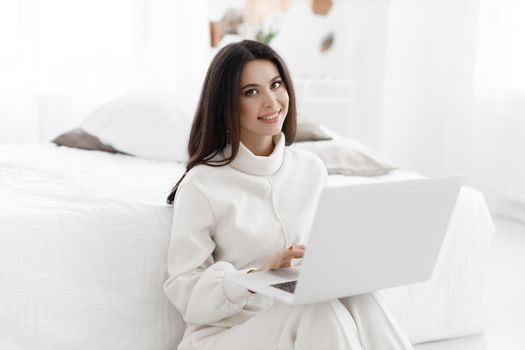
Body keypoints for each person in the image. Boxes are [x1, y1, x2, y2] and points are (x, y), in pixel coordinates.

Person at [164, 40, 413, 350]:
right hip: (226, 335)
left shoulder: (311, 169)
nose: (271, 102)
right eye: (251, 92)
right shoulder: (202, 184)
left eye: (276, 85)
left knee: (359, 295)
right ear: (226, 104)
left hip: (301, 324)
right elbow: (183, 290)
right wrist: (257, 276)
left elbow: (324, 256)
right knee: (319, 309)